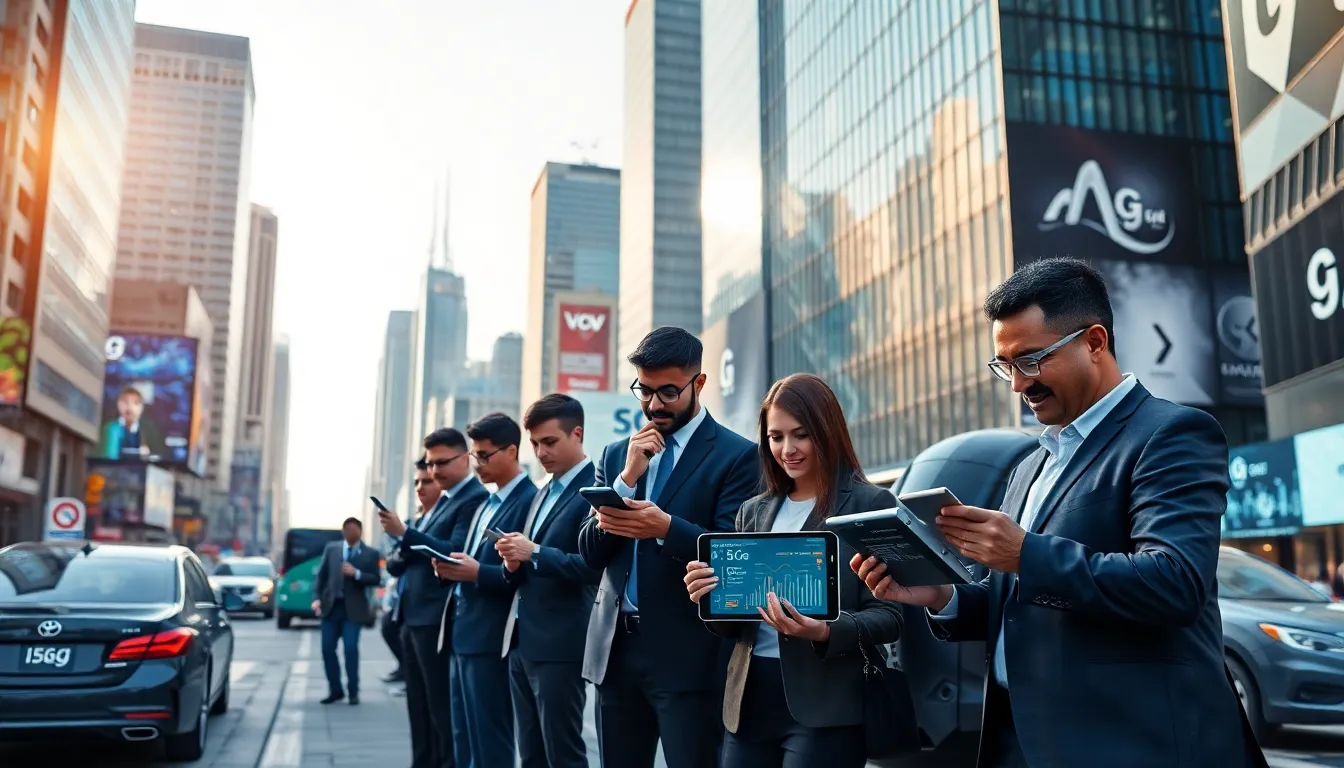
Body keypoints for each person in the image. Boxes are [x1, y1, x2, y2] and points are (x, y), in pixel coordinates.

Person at [851, 257, 1269, 768]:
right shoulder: (1030, 464)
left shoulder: (1172, 434)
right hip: (1021, 741)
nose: (1017, 385)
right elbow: (1023, 599)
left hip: (1131, 744)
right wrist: (940, 596)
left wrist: (1024, 552)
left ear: (1094, 343)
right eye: (1004, 365)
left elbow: (1175, 581)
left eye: (1030, 360)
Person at [684, 374, 904, 767]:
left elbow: (890, 616)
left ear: (827, 430)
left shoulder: (870, 504)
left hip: (827, 705)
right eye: (776, 437)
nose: (787, 449)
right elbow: (735, 624)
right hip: (748, 703)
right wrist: (710, 598)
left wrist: (823, 630)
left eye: (800, 435)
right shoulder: (753, 511)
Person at [579, 327, 759, 768]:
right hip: (615, 653)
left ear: (699, 383)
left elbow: (733, 553)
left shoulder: (738, 456)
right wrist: (626, 479)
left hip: (688, 657)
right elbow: (590, 553)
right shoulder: (618, 454)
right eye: (645, 391)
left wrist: (665, 528)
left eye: (668, 392)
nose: (655, 404)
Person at [497, 394, 600, 768]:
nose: (540, 452)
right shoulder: (542, 491)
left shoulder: (595, 489)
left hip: (561, 644)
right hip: (522, 640)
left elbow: (591, 567)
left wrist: (534, 552)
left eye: (550, 442)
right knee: (532, 755)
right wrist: (513, 561)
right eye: (535, 443)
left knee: (564, 754)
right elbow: (529, 559)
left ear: (578, 434)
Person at [432, 412, 538, 768]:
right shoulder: (486, 502)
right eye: (475, 454)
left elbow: (521, 574)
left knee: (491, 740)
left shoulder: (529, 500)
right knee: (464, 736)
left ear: (511, 451)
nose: (476, 463)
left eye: (484, 455)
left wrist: (476, 573)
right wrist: (452, 568)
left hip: (492, 637)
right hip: (463, 632)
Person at [381, 430, 487, 768]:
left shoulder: (472, 497)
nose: (434, 471)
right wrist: (407, 538)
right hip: (414, 616)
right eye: (430, 464)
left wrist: (405, 534)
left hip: (438, 617)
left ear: (463, 458)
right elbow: (400, 561)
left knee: (441, 710)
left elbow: (456, 552)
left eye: (441, 463)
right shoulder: (442, 501)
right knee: (419, 705)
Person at [382, 461, 442, 686]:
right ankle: (401, 671)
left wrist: (408, 541)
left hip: (429, 611)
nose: (419, 487)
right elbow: (393, 563)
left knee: (431, 693)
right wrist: (404, 548)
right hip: (406, 607)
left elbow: (446, 549)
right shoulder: (414, 521)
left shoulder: (441, 515)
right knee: (416, 692)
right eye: (416, 481)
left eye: (426, 481)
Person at [313, 517, 381, 705]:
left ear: (360, 531)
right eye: (347, 529)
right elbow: (321, 578)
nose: (350, 533)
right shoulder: (332, 549)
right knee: (327, 649)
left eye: (353, 529)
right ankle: (335, 690)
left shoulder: (370, 553)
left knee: (351, 649)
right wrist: (316, 599)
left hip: (354, 610)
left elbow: (376, 579)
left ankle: (353, 691)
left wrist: (356, 574)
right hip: (331, 607)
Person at [98, 385, 164, 459]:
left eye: (135, 403)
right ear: (118, 404)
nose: (130, 407)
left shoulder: (149, 430)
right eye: (125, 402)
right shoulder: (109, 428)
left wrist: (147, 455)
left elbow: (158, 456)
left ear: (142, 407)